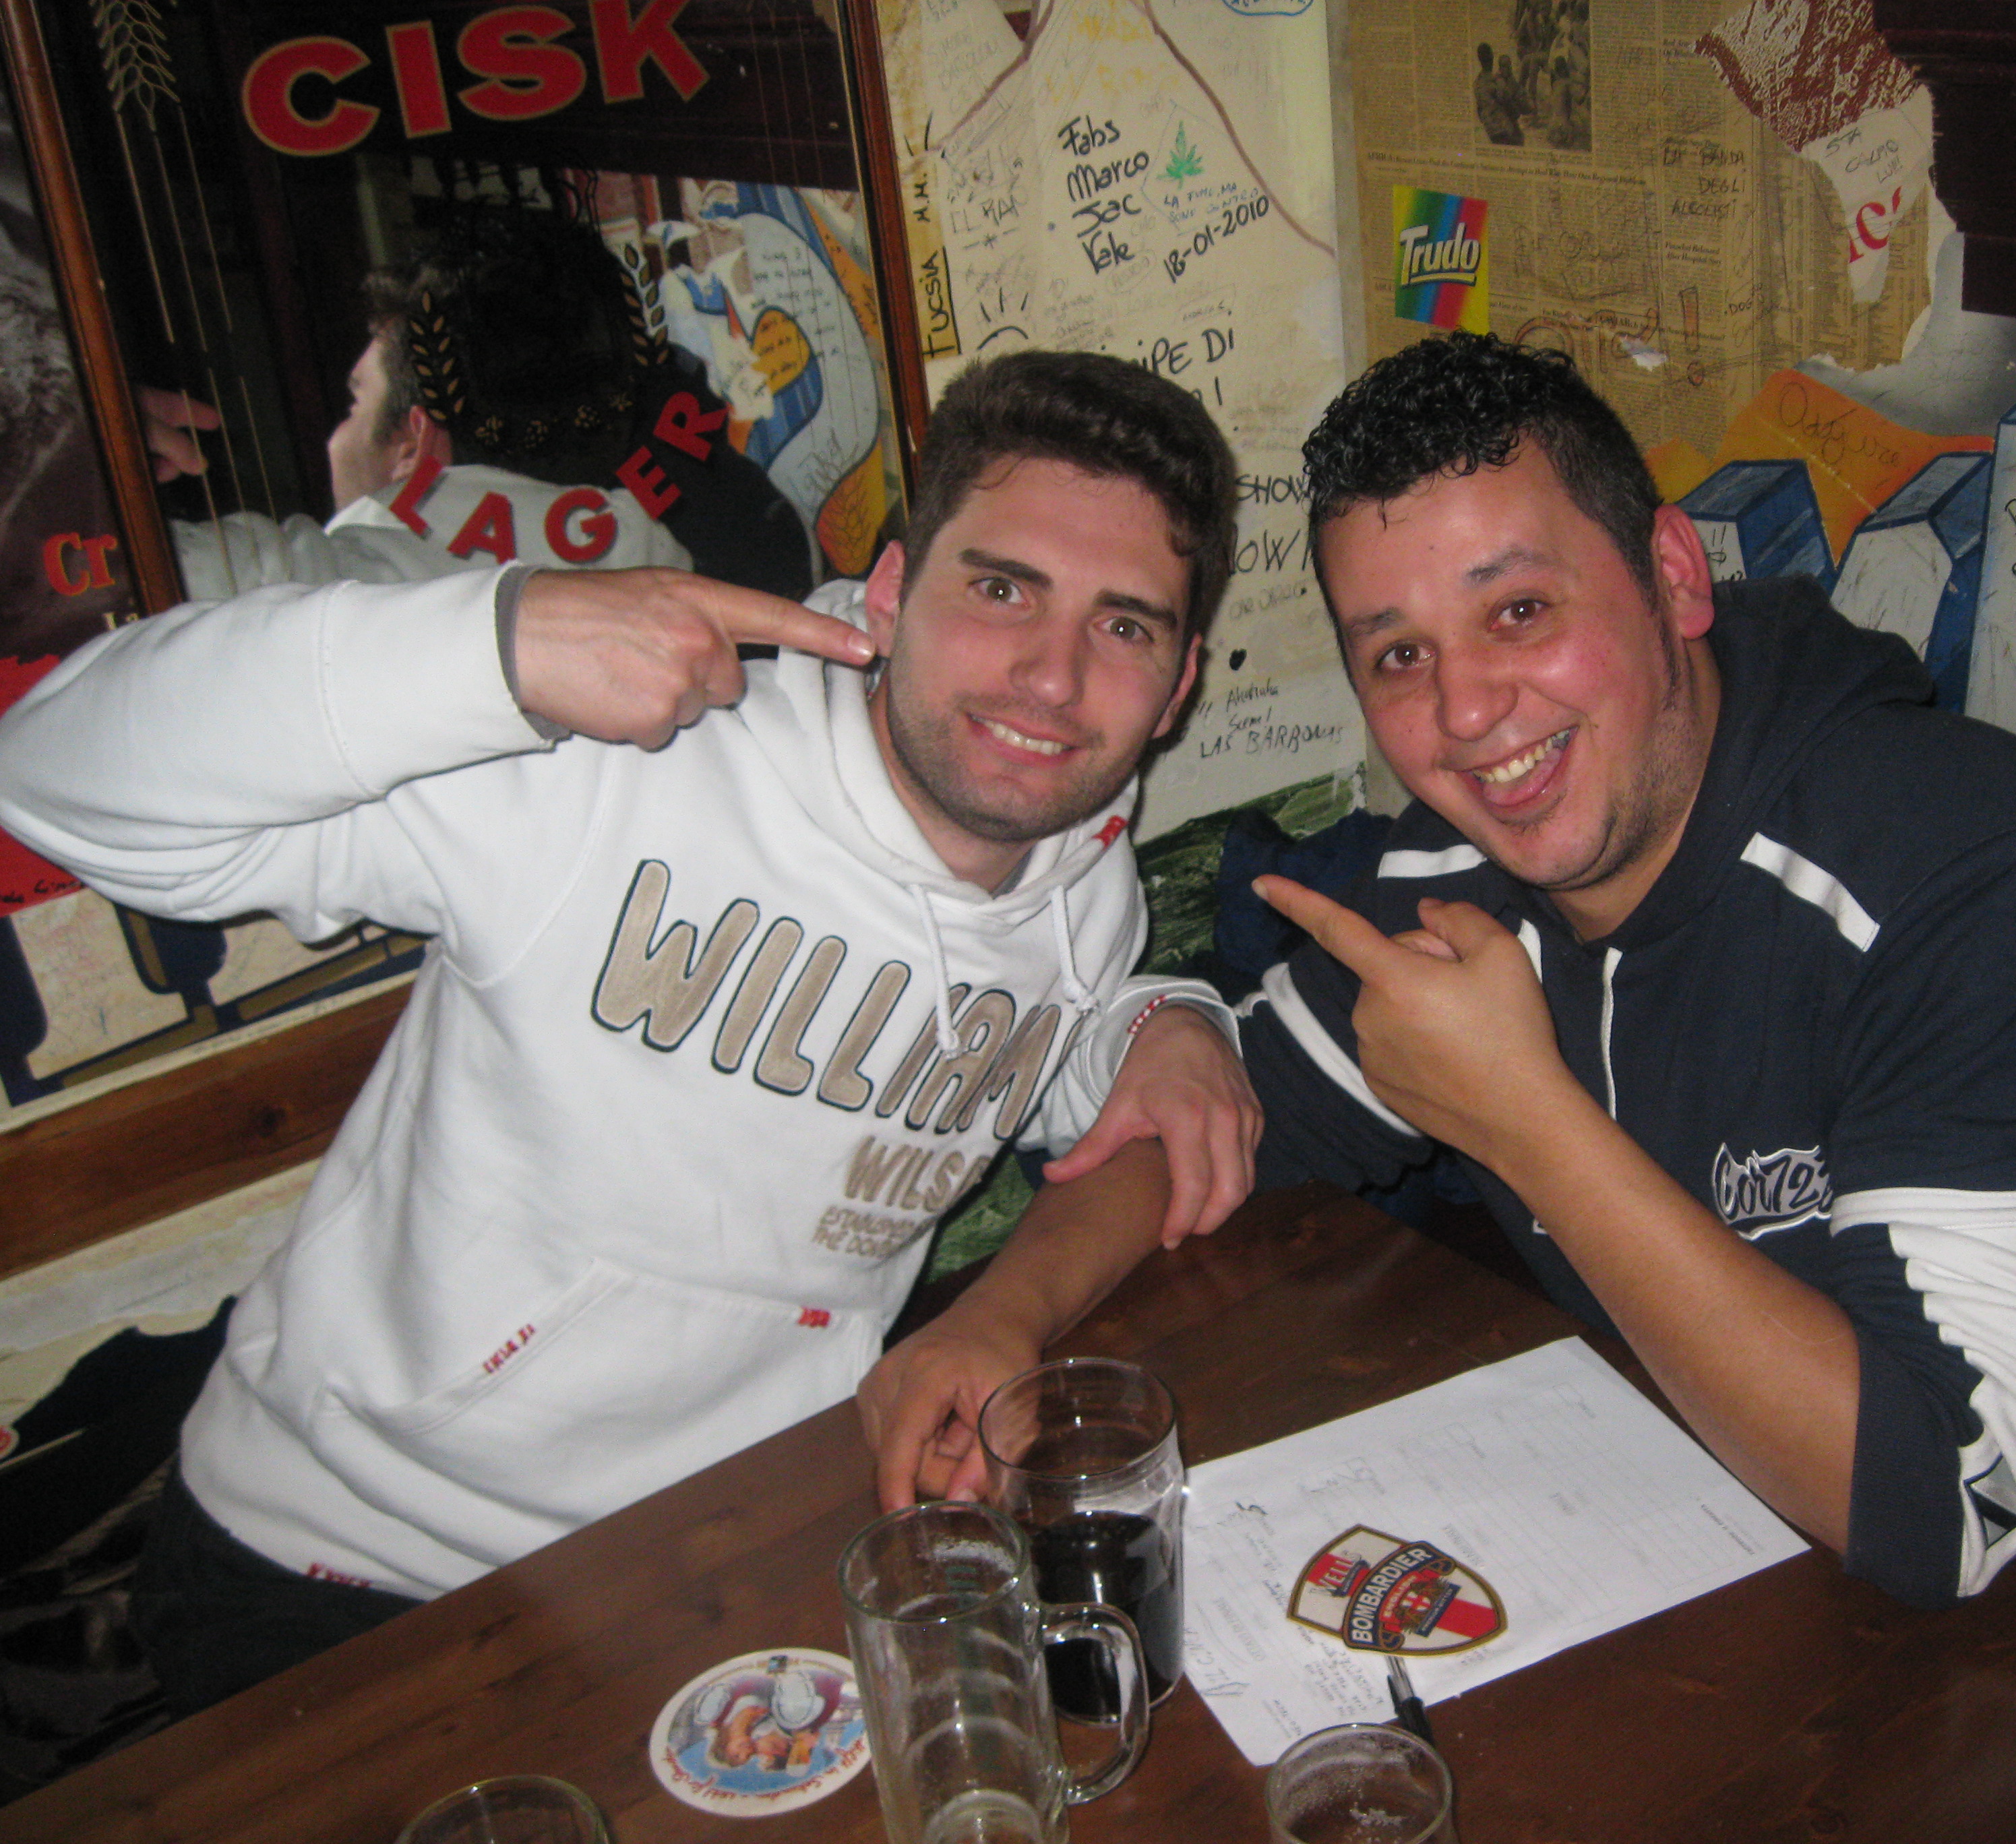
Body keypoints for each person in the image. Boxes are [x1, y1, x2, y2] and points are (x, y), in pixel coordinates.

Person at [0, 346, 1258, 1715]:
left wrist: (1166, 1016)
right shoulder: (617, 764)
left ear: (1178, 682)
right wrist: (497, 644)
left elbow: (1090, 1077)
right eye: (1000, 588)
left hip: (730, 1552)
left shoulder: (1082, 880)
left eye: (1123, 627)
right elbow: (52, 771)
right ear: (892, 592)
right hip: (345, 1567)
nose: (1052, 678)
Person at [1241, 334, 2016, 1728]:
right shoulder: (1467, 858)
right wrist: (1160, 1067)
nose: (1464, 713)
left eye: (1519, 611)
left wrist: (1526, 1119)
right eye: (1399, 654)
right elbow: (1220, 1123)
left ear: (1673, 577)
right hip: (1756, 1493)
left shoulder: (1985, 880)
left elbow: (1935, 1504)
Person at [151, 207, 702, 601]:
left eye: (355, 403)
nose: (336, 437)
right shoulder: (675, 583)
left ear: (415, 445)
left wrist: (100, 461)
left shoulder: (298, 592)